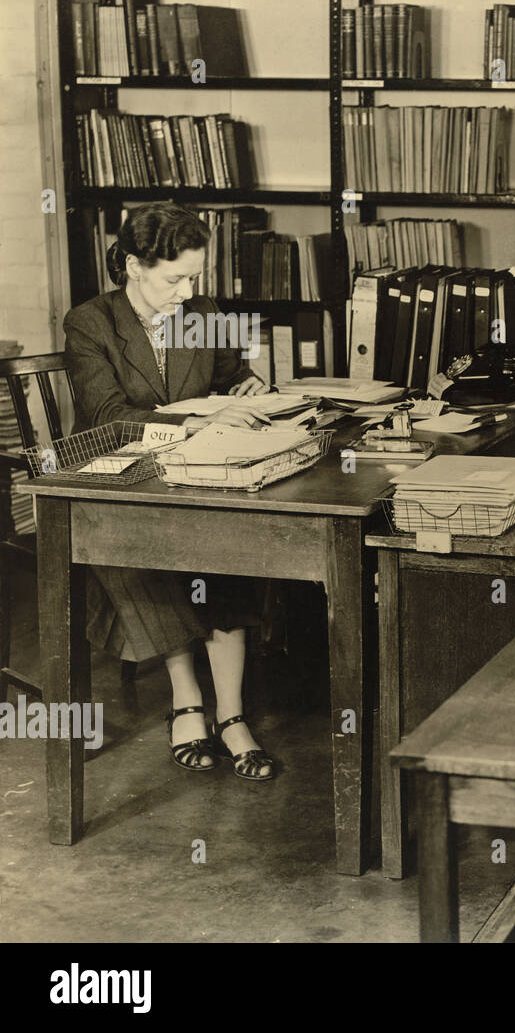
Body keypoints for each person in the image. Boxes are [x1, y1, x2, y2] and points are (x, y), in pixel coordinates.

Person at [63, 202, 276, 781]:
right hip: (117, 487)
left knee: (228, 545)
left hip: (192, 476)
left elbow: (229, 375)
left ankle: (231, 714)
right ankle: (187, 701)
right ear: (133, 266)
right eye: (174, 278)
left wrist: (250, 386)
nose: (188, 292)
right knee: (153, 558)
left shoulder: (201, 310)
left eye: (195, 276)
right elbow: (108, 415)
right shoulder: (89, 323)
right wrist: (195, 421)